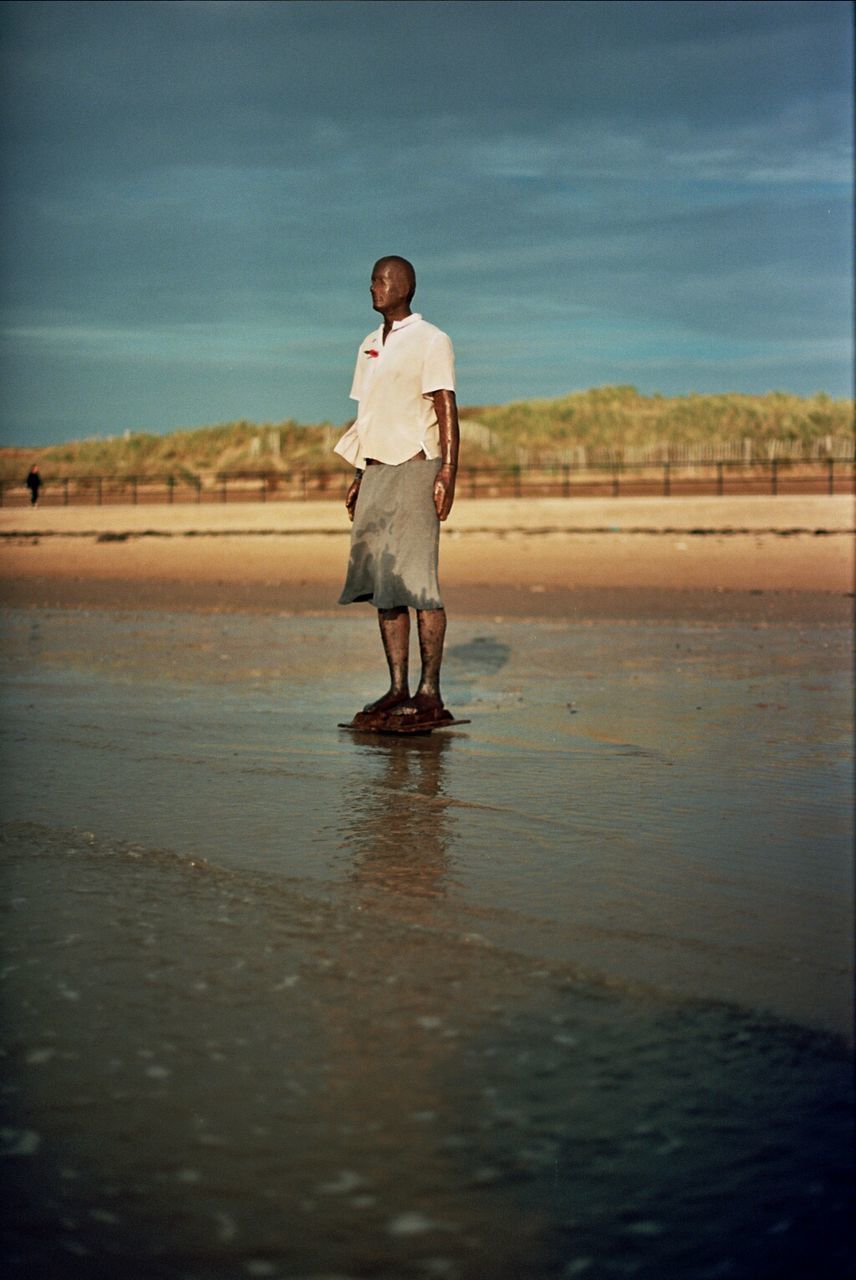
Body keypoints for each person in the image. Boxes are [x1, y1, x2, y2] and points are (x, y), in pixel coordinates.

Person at [334, 256, 460, 730]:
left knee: (418, 582)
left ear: (404, 286)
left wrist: (449, 469)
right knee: (384, 586)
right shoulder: (369, 344)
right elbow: (369, 414)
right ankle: (397, 688)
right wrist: (360, 474)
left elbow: (446, 406)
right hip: (377, 470)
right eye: (371, 280)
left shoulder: (432, 340)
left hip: (415, 467)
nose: (373, 288)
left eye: (381, 280)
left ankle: (430, 693)